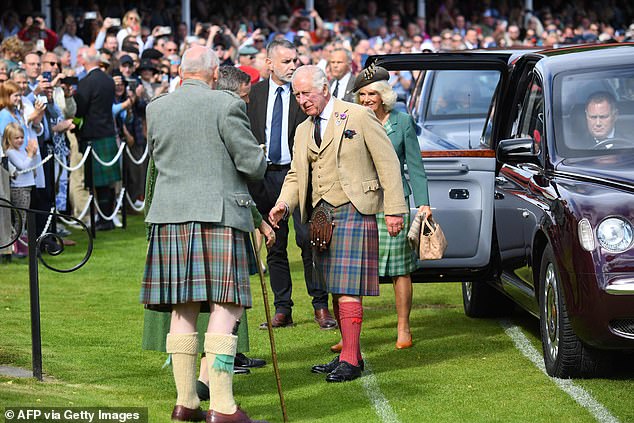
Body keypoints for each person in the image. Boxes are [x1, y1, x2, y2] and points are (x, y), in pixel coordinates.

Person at [140, 45, 267, 422]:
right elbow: (252, 164)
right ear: (214, 74)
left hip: (168, 217)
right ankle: (224, 408)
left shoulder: (156, 108)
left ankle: (186, 403)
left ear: (181, 72)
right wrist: (259, 153)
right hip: (217, 216)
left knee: (183, 309)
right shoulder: (226, 105)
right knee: (227, 306)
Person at [269, 65, 407, 382]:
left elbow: (388, 162)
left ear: (325, 87)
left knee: (347, 289)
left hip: (354, 208)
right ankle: (350, 353)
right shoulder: (303, 129)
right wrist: (282, 204)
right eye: (297, 95)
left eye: (306, 93)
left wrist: (395, 209)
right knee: (334, 288)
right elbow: (295, 175)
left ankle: (350, 361)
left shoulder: (357, 115)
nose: (302, 100)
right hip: (321, 217)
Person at [247, 39, 335, 330]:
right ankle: (282, 308)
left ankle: (320, 305)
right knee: (274, 244)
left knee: (310, 240)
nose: (293, 65)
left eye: (295, 59)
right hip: (265, 178)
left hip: (300, 176)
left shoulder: (303, 94)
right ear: (269, 63)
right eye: (286, 61)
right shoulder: (254, 94)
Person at [354, 66, 431, 349]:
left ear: (384, 95)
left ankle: (404, 329)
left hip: (395, 202)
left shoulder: (403, 121)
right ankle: (350, 334)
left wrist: (424, 203)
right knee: (356, 269)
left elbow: (415, 164)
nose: (366, 99)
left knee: (400, 269)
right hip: (361, 201)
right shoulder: (353, 120)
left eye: (371, 93)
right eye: (361, 94)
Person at [73, 47, 119, 231]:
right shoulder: (108, 80)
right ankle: (106, 218)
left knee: (96, 181)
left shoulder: (85, 82)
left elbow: (80, 110)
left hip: (92, 135)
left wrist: (75, 125)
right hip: (107, 132)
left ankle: (103, 219)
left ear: (85, 61)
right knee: (106, 182)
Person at [3, 122, 38, 258]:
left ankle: (21, 247)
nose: (20, 140)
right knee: (20, 219)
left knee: (23, 218)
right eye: (16, 138)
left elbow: (31, 165)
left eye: (21, 137)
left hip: (27, 187)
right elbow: (23, 166)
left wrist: (32, 154)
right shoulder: (10, 153)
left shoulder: (21, 151)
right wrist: (30, 154)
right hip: (19, 189)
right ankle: (15, 248)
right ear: (9, 139)